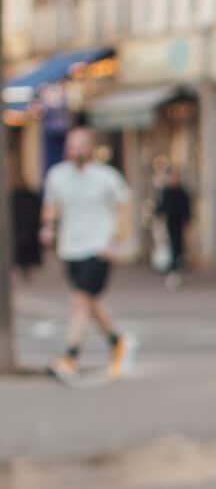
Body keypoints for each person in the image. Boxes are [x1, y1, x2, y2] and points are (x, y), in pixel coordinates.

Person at [41, 126, 132, 381]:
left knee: (80, 300)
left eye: (80, 145)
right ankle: (117, 342)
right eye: (71, 145)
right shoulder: (57, 176)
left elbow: (124, 207)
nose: (75, 150)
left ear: (90, 148)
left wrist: (115, 242)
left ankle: (70, 356)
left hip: (98, 247)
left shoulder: (106, 177)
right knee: (90, 303)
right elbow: (51, 206)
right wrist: (48, 228)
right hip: (70, 248)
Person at [153, 164, 193, 287]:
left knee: (178, 247)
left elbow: (187, 209)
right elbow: (159, 208)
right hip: (168, 223)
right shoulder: (165, 191)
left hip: (179, 223)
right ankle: (171, 271)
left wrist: (188, 222)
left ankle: (175, 271)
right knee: (170, 247)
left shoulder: (182, 191)